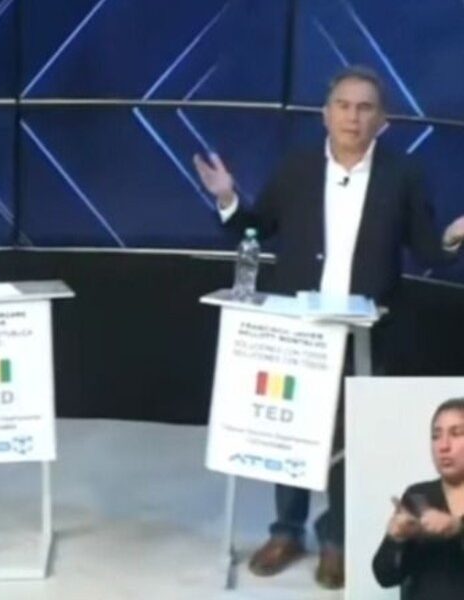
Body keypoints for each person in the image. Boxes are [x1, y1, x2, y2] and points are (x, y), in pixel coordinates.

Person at [194, 65, 464, 589]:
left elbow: (427, 250)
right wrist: (227, 199)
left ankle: (336, 538)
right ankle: (286, 530)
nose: (352, 117)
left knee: (347, 439)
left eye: (365, 108)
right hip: (299, 329)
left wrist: (453, 237)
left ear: (382, 120)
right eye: (343, 105)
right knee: (289, 431)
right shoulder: (297, 167)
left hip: (366, 332)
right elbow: (257, 229)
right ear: (325, 114)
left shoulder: (404, 174)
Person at [373, 398, 464, 599]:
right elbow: (384, 576)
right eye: (436, 436)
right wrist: (395, 539)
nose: (443, 446)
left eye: (457, 433)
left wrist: (458, 528)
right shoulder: (418, 496)